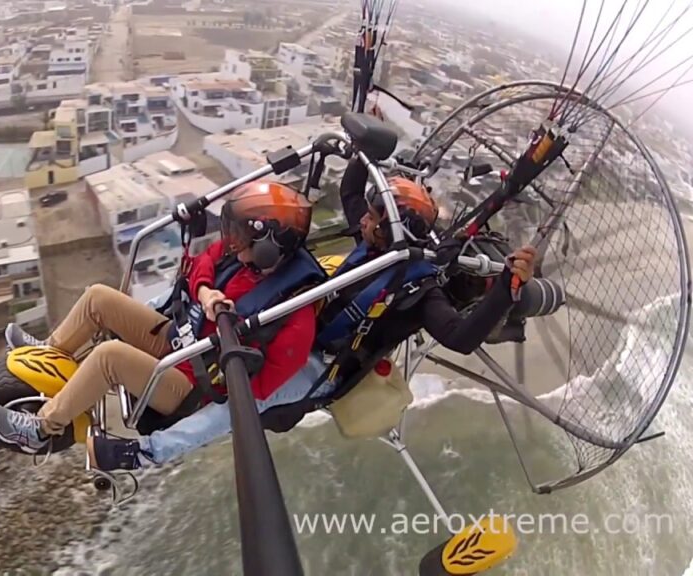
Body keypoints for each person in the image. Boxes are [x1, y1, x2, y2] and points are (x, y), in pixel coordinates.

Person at [85, 175, 537, 471]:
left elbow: (461, 337)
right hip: (298, 327)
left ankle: (144, 455)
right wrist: (362, 136)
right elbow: (351, 193)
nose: (363, 219)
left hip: (322, 365)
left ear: (389, 230)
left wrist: (504, 289)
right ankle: (117, 348)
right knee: (192, 303)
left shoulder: (421, 293)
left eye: (373, 217)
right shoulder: (377, 243)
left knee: (241, 401)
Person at [0, 181, 319, 454]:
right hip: (179, 337)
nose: (231, 241)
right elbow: (203, 262)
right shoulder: (240, 258)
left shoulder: (295, 317)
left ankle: (41, 429)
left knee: (108, 356)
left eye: (241, 236)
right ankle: (51, 352)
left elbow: (255, 394)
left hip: (189, 384)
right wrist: (205, 292)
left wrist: (231, 344)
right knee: (98, 297)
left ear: (266, 248)